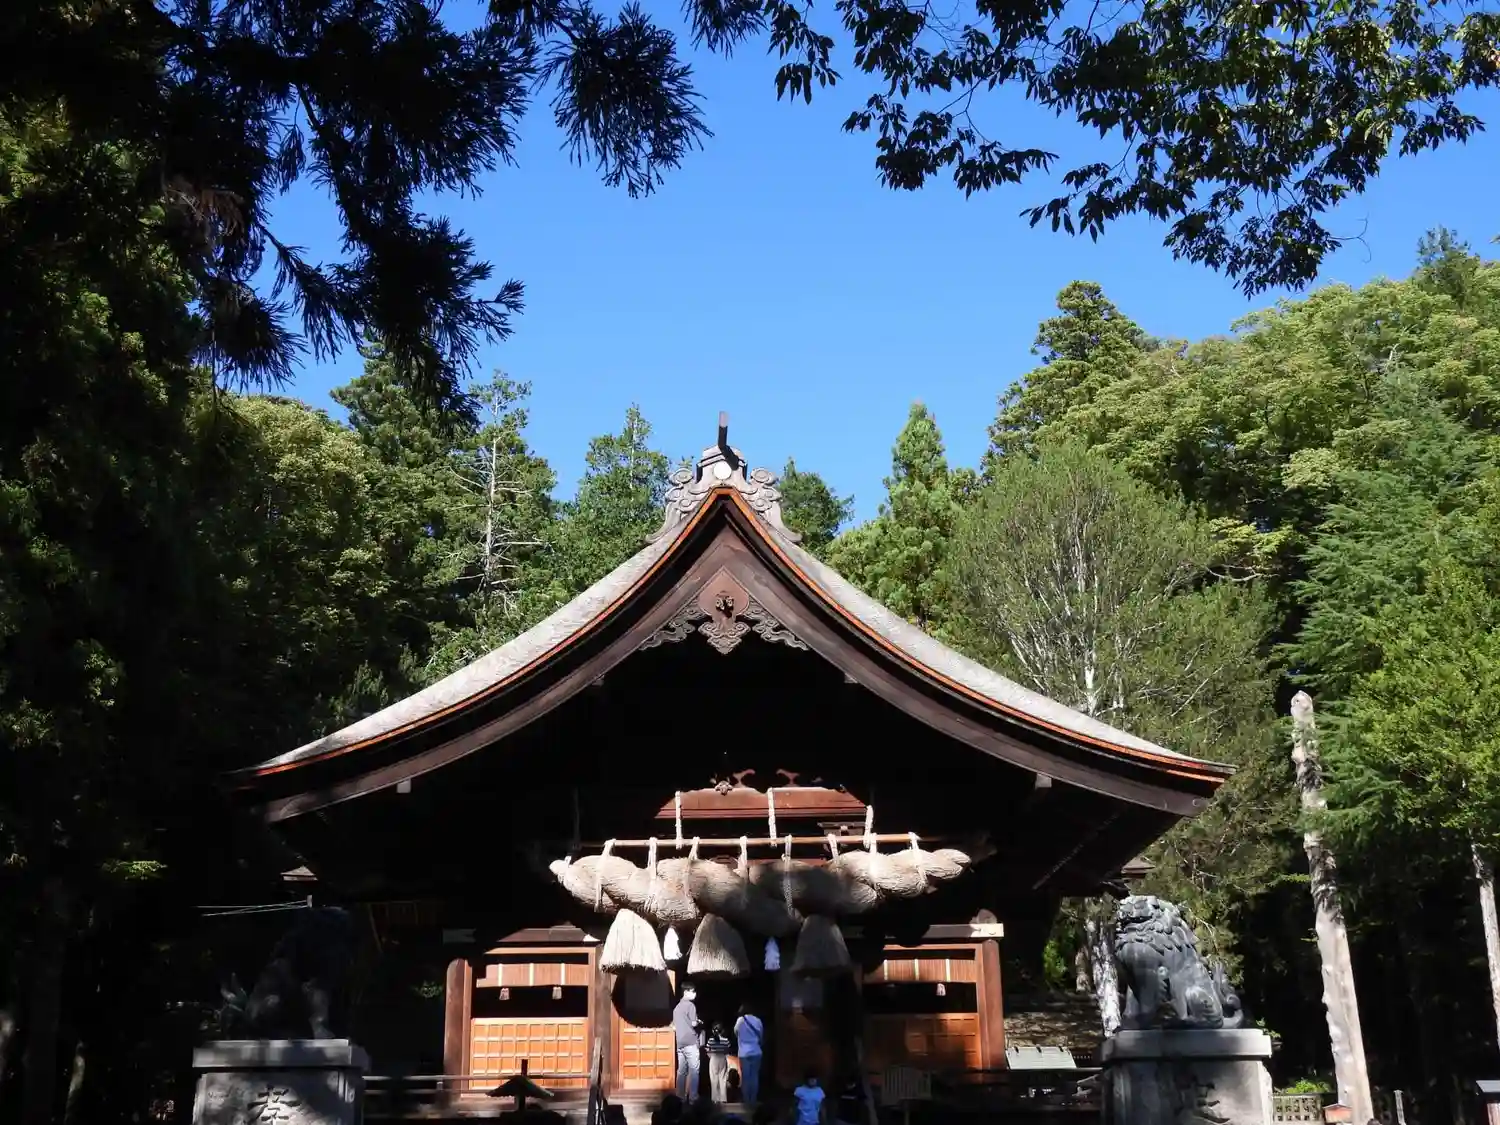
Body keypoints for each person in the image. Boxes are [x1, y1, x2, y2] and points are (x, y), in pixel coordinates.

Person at [673, 986, 705, 1100]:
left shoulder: (676, 1008)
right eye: (693, 991)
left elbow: (676, 1026)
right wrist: (698, 1021)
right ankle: (693, 1097)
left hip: (680, 1042)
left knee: (681, 1071)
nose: (695, 994)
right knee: (694, 1070)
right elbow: (693, 1023)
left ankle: (680, 1096)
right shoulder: (690, 1005)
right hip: (690, 1041)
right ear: (686, 992)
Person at [732, 1005, 764, 1106]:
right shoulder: (758, 1021)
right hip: (756, 1051)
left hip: (743, 1053)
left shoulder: (740, 1020)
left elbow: (736, 1032)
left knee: (745, 1077)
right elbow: (761, 1036)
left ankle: (746, 1101)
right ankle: (753, 1100)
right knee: (754, 1077)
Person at [706, 1021, 734, 1102]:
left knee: (714, 1079)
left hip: (714, 1058)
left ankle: (715, 1099)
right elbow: (728, 1050)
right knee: (723, 1078)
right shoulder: (726, 1040)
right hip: (722, 1058)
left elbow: (708, 1050)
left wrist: (711, 1056)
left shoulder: (711, 1040)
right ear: (722, 1031)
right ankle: (723, 1098)